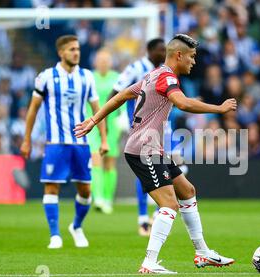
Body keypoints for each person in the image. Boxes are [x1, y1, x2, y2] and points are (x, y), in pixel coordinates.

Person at [74, 34, 236, 274]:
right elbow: (182, 103)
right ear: (178, 55)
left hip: (152, 147)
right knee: (169, 204)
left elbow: (121, 96)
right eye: (191, 57)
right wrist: (218, 108)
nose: (193, 62)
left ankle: (202, 253)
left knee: (187, 191)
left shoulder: (153, 74)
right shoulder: (167, 78)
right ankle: (150, 262)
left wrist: (94, 119)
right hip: (144, 148)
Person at [20, 35, 108, 249]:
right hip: (55, 144)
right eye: (71, 49)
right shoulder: (47, 77)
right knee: (52, 188)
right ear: (61, 52)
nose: (76, 52)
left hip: (81, 144)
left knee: (86, 191)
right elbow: (33, 109)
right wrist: (27, 139)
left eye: (77, 49)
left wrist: (104, 140)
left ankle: (76, 226)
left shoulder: (87, 77)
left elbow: (98, 111)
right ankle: (55, 235)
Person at [108, 38, 166, 236]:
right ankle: (144, 218)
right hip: (141, 128)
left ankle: (157, 214)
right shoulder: (135, 68)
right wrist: (108, 118)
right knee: (146, 169)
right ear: (150, 51)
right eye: (161, 50)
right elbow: (116, 91)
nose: (164, 53)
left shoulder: (164, 71)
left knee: (173, 167)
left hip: (161, 127)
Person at [87, 49, 124, 214]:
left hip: (111, 125)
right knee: (96, 157)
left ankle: (108, 199)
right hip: (93, 123)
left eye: (106, 60)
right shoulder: (90, 77)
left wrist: (122, 117)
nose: (103, 63)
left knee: (109, 162)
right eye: (100, 60)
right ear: (95, 62)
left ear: (110, 63)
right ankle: (98, 198)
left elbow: (122, 99)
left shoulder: (117, 78)